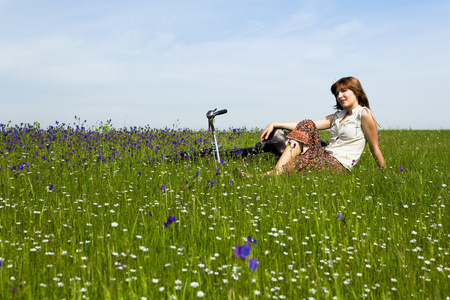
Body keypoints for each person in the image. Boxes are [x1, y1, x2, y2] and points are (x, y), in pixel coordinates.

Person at [259, 76, 386, 175]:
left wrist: (384, 173)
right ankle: (276, 172)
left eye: (343, 91)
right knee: (307, 124)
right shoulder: (338, 116)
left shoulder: (363, 114)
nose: (339, 96)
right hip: (324, 157)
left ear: (357, 92)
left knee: (305, 158)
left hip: (339, 165)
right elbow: (306, 125)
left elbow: (374, 148)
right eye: (337, 93)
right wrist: (275, 123)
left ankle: (267, 175)